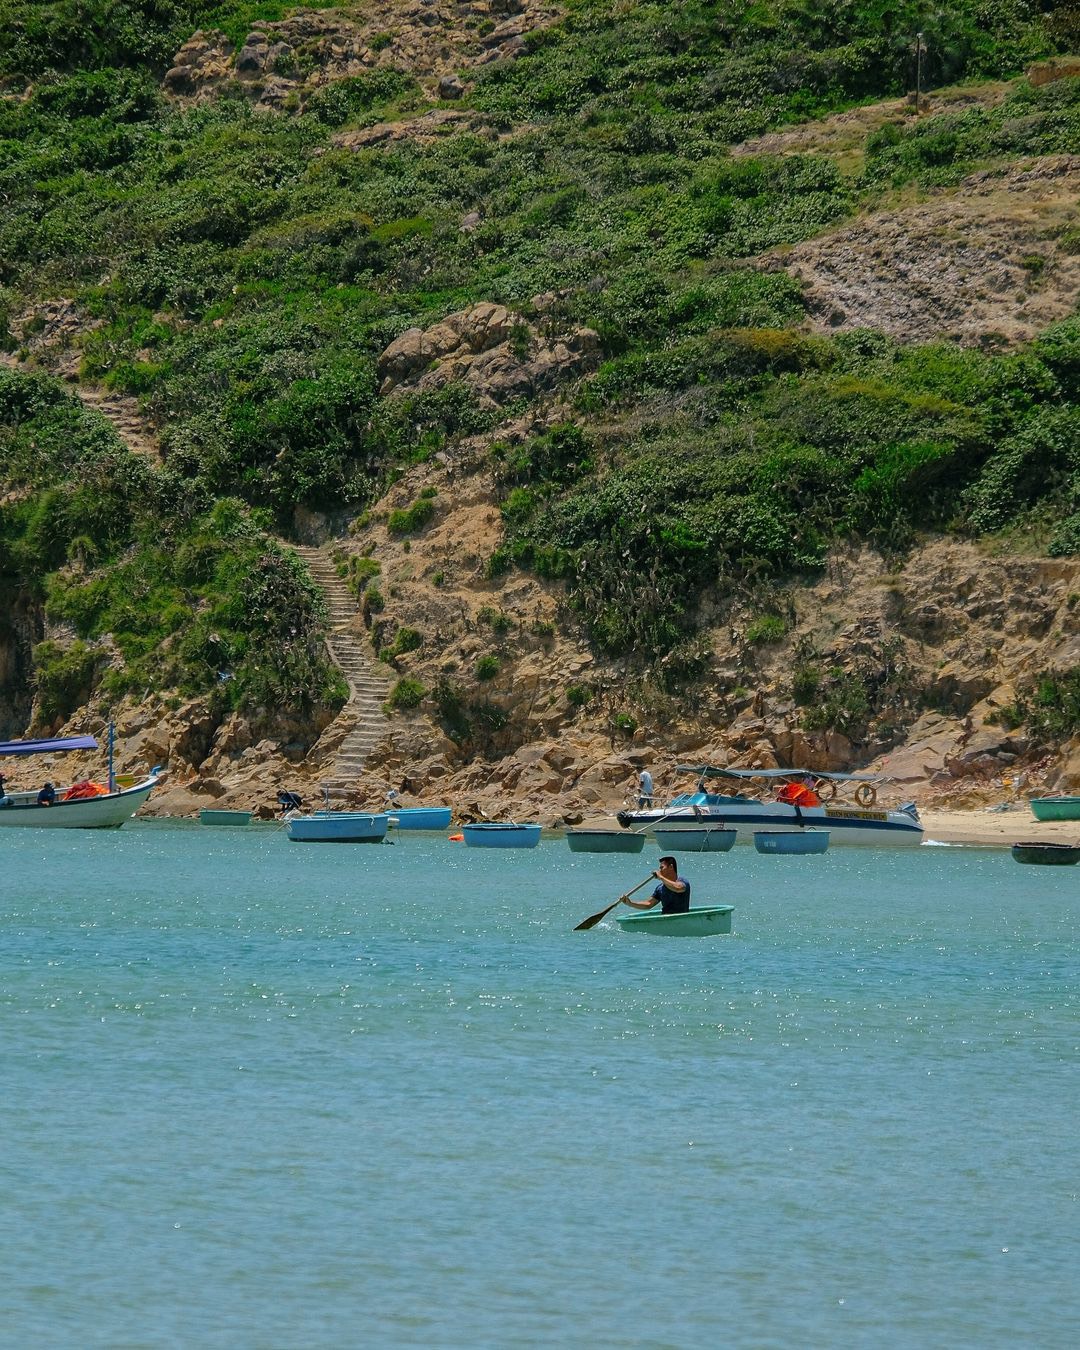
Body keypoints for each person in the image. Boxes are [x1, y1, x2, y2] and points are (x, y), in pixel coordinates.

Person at [622, 856, 691, 915]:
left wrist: (661, 877)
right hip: (665, 919)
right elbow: (648, 904)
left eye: (662, 868)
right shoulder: (660, 888)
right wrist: (630, 903)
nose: (660, 871)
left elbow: (678, 888)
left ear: (671, 867)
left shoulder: (682, 881)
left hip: (680, 919)